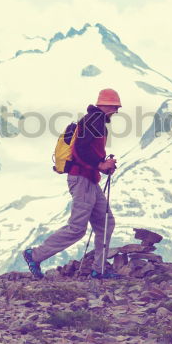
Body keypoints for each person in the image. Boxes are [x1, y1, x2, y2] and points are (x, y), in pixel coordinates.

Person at [22, 88, 122, 279]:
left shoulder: (93, 120)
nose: (116, 111)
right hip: (82, 179)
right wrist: (101, 164)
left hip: (89, 179)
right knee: (77, 228)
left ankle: (99, 269)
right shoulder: (95, 120)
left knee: (106, 222)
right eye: (115, 106)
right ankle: (34, 255)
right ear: (106, 104)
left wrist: (101, 164)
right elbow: (81, 149)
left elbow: (84, 148)